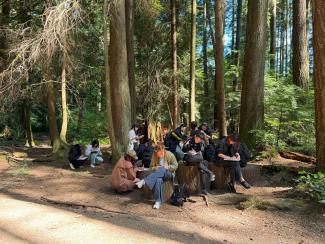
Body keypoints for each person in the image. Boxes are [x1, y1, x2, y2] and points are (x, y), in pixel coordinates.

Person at [136, 142, 178, 209]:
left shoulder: (170, 155)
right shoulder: (154, 155)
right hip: (158, 175)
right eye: (157, 153)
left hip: (168, 174)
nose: (158, 155)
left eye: (160, 153)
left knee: (163, 168)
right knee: (158, 180)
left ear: (162, 150)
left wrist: (168, 167)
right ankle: (158, 201)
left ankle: (144, 181)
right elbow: (150, 167)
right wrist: (154, 168)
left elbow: (176, 165)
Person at [182, 130, 215, 195]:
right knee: (200, 159)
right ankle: (210, 172)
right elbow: (184, 151)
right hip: (188, 159)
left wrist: (195, 153)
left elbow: (200, 152)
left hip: (196, 159)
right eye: (199, 139)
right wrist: (191, 153)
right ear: (195, 137)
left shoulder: (200, 143)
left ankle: (203, 189)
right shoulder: (188, 141)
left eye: (201, 140)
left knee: (201, 170)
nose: (200, 141)